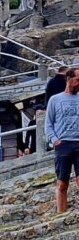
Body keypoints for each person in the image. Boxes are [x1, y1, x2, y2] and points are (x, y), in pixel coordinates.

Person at [46, 66, 79, 213]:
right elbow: (48, 123)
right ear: (68, 79)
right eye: (78, 80)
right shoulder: (55, 99)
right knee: (62, 183)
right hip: (63, 144)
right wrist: (54, 140)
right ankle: (61, 213)